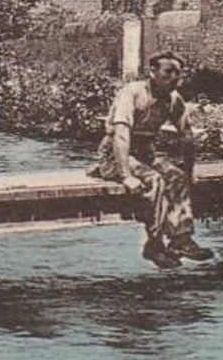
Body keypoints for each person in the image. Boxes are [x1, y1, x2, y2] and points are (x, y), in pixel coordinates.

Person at [88, 52, 215, 267]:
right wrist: (126, 175)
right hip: (116, 154)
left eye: (177, 73)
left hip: (145, 154)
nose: (173, 77)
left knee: (175, 176)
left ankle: (180, 240)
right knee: (154, 181)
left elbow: (186, 135)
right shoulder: (133, 93)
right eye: (168, 72)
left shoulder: (174, 99)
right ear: (153, 72)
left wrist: (189, 172)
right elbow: (120, 135)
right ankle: (154, 244)